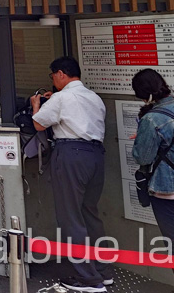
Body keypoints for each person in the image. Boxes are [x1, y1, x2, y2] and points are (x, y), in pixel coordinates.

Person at [30, 56, 114, 293]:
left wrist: (36, 104)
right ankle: (103, 271)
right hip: (95, 156)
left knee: (70, 217)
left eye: (53, 76)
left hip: (71, 154)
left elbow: (39, 124)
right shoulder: (93, 97)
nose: (53, 80)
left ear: (60, 74)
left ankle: (88, 279)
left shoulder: (62, 97)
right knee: (90, 214)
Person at [131, 68, 174, 293]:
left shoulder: (152, 119)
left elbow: (142, 156)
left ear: (146, 94)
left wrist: (141, 138)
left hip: (167, 190)